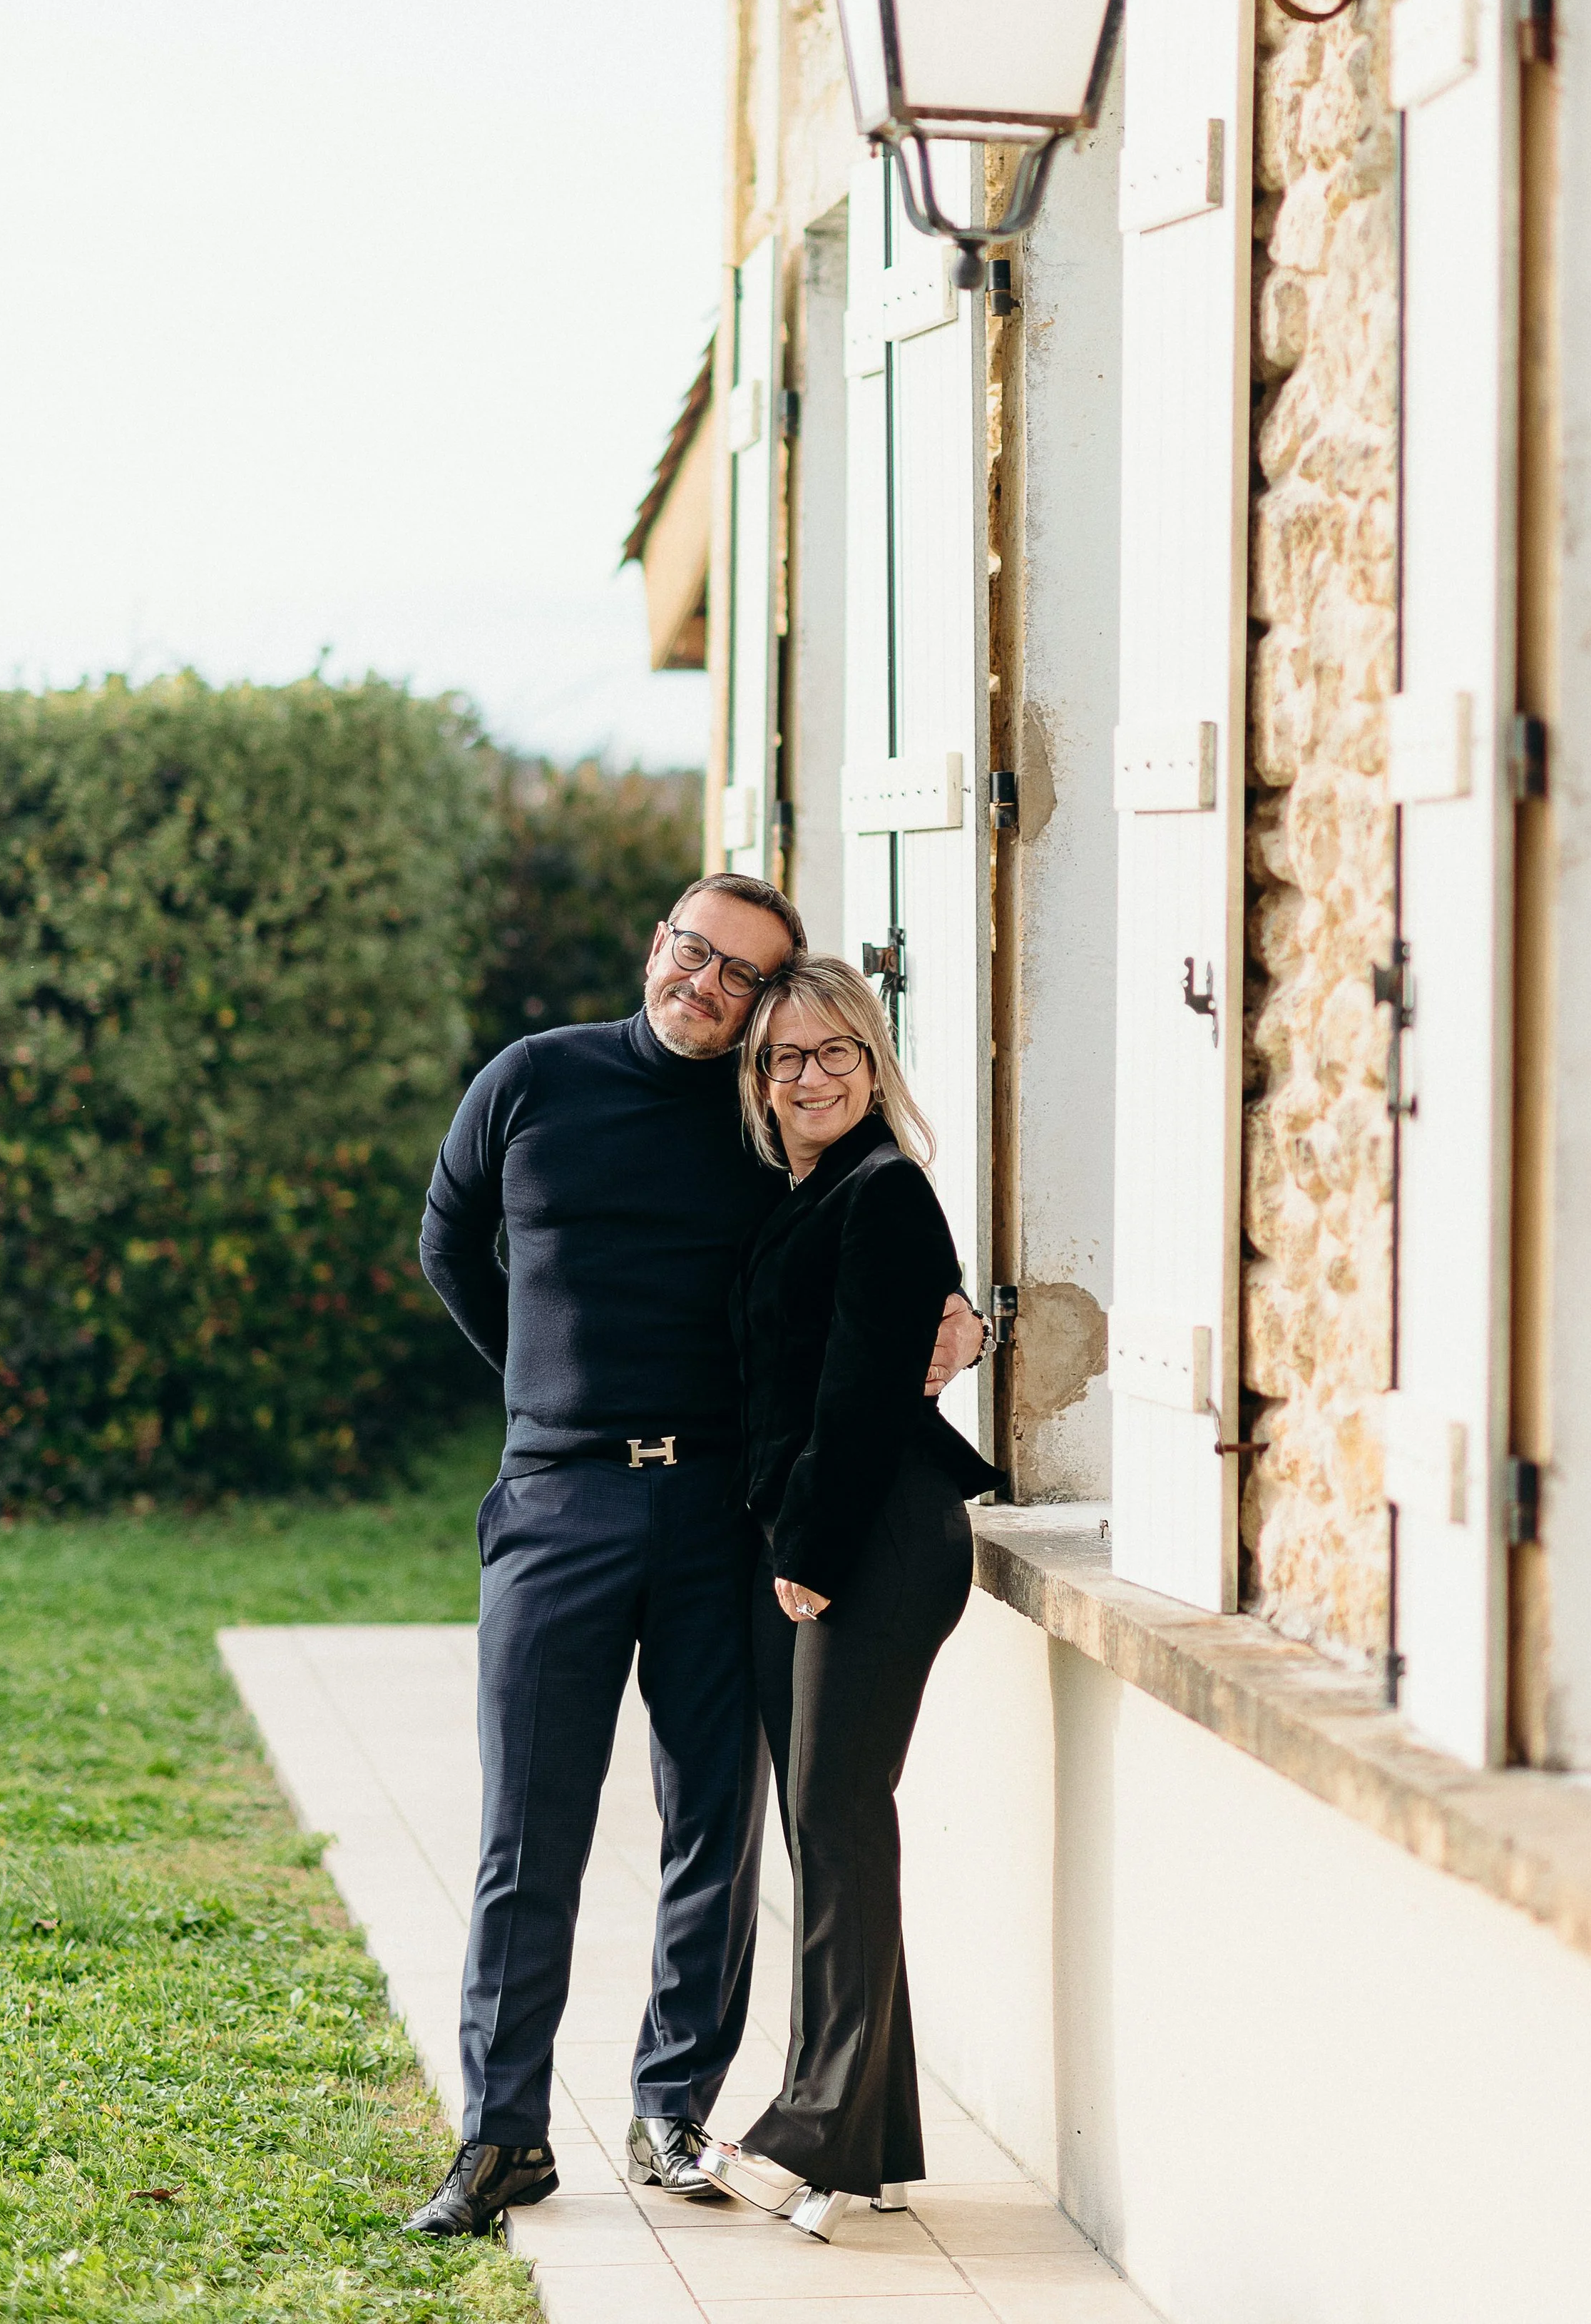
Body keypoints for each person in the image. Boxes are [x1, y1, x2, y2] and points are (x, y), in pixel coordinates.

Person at [401, 879, 987, 2240]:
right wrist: (544, 1393)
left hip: (723, 1509)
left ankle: (673, 2104)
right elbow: (448, 1238)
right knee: (527, 1826)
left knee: (713, 1818)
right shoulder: (531, 1079)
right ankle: (503, 2134)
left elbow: (866, 1256)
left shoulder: (760, 1123)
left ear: (766, 1006)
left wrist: (960, 1332)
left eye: (744, 976)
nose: (707, 983)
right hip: (557, 1507)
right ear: (656, 945)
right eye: (694, 950)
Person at [697, 954, 995, 2243]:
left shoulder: (886, 1191)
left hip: (878, 1534)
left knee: (832, 1810)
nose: (809, 1077)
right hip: (832, 1532)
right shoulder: (809, 1192)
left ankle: (812, 2127)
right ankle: (871, 2138)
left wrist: (809, 1547)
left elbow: (866, 1391)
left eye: (833, 1054)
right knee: (835, 1817)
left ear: (873, 1065)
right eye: (783, 1059)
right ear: (760, 1087)